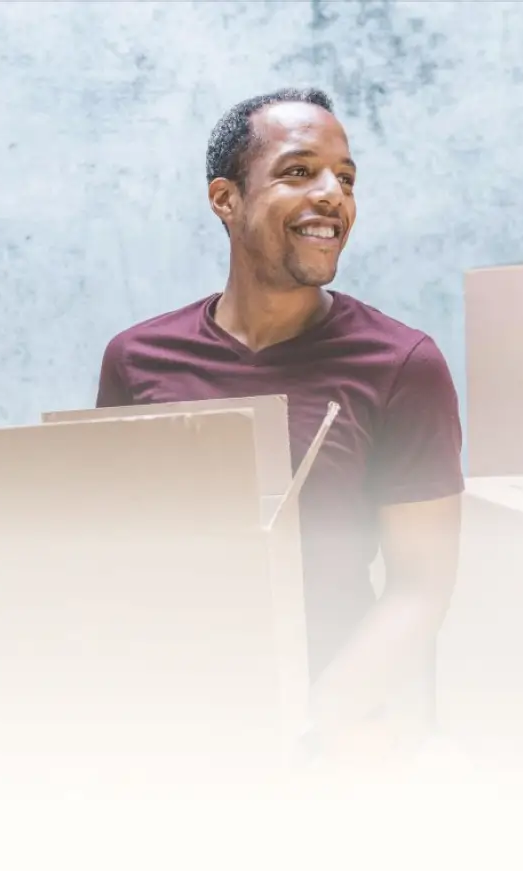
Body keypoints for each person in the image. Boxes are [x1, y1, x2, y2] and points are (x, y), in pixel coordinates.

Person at [95, 87, 464, 768]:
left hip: (329, 730)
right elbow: (116, 556)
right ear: (225, 199)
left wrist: (315, 726)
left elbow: (421, 586)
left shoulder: (402, 366)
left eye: (346, 178)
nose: (333, 195)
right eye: (299, 171)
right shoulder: (136, 360)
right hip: (172, 721)